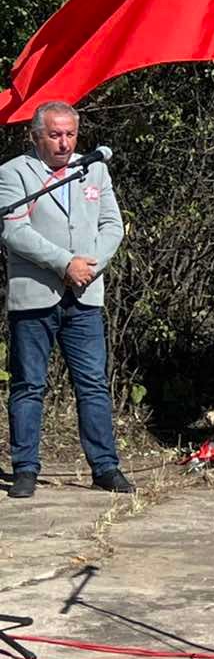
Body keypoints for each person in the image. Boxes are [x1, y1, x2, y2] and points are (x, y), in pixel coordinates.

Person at [0, 102, 132, 498]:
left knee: (92, 383)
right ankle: (25, 469)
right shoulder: (13, 172)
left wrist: (90, 266)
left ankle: (105, 467)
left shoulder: (94, 168)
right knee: (28, 384)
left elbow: (112, 224)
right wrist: (64, 264)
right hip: (35, 294)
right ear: (35, 136)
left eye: (70, 134)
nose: (64, 143)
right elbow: (14, 231)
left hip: (84, 293)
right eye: (55, 135)